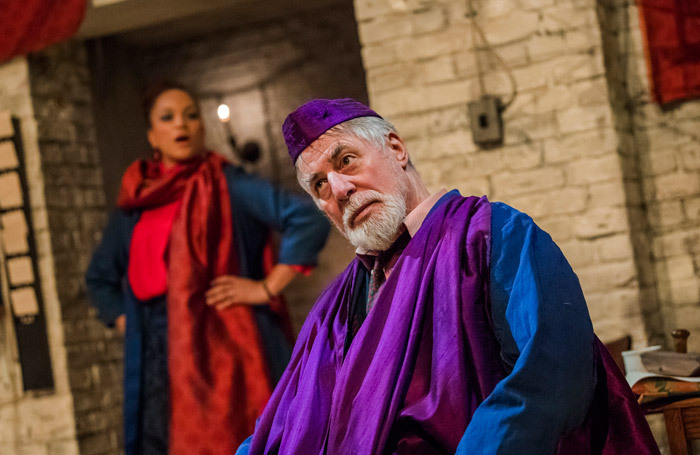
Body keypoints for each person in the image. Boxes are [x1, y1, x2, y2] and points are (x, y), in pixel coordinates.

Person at [236, 98, 660, 455]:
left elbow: (550, 374)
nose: (340, 189)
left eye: (346, 160)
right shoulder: (335, 308)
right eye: (320, 186)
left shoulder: (493, 235)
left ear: (396, 149)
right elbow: (284, 423)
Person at [85, 81, 330, 455]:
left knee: (243, 439)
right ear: (153, 135)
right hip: (157, 359)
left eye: (190, 115)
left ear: (202, 127)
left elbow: (305, 218)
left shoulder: (229, 183)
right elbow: (100, 277)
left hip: (227, 347)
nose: (181, 124)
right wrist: (130, 320)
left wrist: (265, 287)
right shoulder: (137, 202)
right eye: (167, 118)